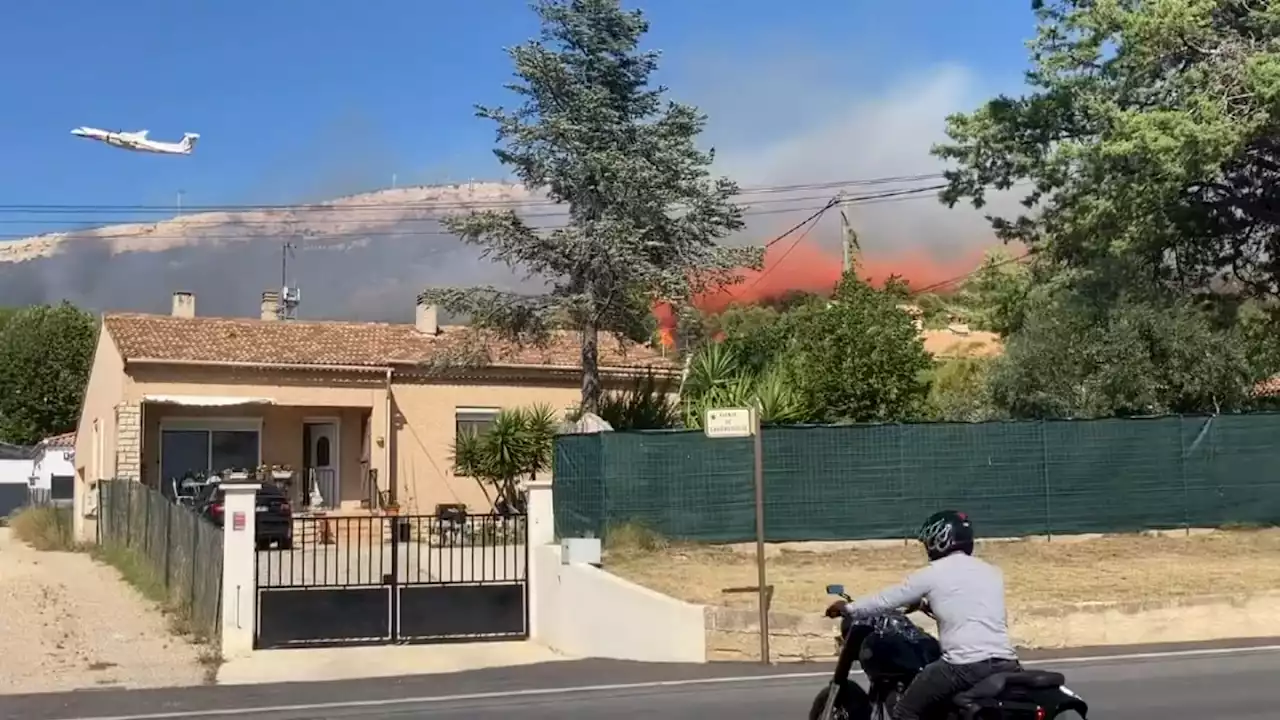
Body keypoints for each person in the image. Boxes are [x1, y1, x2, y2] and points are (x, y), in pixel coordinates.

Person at [825, 510, 1020, 720]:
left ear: (940, 540)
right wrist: (927, 605)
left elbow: (885, 599)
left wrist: (848, 608)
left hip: (964, 666)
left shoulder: (933, 573)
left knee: (905, 711)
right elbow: (969, 607)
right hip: (1006, 661)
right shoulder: (992, 572)